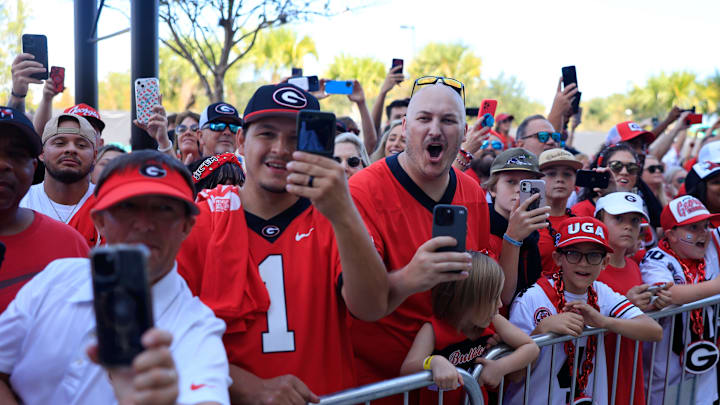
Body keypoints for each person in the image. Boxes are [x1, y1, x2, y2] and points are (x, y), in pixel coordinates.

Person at [177, 82, 393, 403]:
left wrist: (344, 212)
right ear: (241, 140)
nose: (281, 148)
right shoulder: (200, 221)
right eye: (266, 133)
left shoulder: (337, 217)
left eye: (296, 138)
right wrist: (251, 387)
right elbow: (171, 332)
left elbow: (371, 306)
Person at [0, 150, 231, 405]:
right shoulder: (57, 278)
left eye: (164, 209)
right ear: (99, 221)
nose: (144, 224)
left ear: (187, 225)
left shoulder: (196, 327)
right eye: (128, 207)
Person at [349, 78, 498, 389]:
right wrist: (410, 277)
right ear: (404, 127)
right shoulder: (363, 191)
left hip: (453, 383)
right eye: (424, 118)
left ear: (465, 132)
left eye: (448, 120)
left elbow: (479, 292)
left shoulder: (472, 193)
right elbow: (356, 301)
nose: (435, 129)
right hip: (380, 386)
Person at [504, 217, 663, 405]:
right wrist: (540, 332)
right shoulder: (531, 299)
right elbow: (515, 375)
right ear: (558, 258)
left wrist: (603, 322)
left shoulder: (602, 293)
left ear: (605, 262)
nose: (583, 263)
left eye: (593, 255)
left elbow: (654, 331)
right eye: (573, 253)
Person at [400, 251, 538, 405]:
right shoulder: (434, 329)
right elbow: (406, 370)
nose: (500, 304)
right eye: (493, 298)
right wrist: (433, 362)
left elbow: (531, 347)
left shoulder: (493, 318)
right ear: (468, 300)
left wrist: (500, 367)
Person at [0, 106, 89, 312]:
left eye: (16, 154)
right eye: (59, 143)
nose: (3, 164)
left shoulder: (69, 244)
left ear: (33, 167)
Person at [640, 195, 720, 405]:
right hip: (666, 375)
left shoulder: (710, 248)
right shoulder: (656, 258)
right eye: (693, 228)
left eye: (705, 225)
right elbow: (665, 295)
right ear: (671, 235)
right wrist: (715, 287)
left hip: (705, 370)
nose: (703, 233)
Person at [594, 192, 672, 405]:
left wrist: (656, 305)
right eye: (618, 219)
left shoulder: (634, 267)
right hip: (598, 366)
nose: (628, 226)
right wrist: (626, 306)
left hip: (629, 363)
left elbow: (637, 313)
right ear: (599, 222)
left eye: (634, 220)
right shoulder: (589, 269)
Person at [483, 148, 550, 303]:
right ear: (492, 189)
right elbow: (501, 298)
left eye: (526, 184)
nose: (518, 190)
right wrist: (513, 238)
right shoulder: (482, 229)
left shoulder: (537, 230)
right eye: (511, 182)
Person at [19, 113, 97, 224]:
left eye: (81, 145)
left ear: (94, 156)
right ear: (42, 152)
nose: (71, 149)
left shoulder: (110, 203)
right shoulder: (20, 203)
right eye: (60, 143)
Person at [536, 148, 582, 276]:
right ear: (537, 179)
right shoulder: (525, 220)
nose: (560, 179)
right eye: (551, 174)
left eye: (567, 174)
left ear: (575, 182)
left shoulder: (581, 223)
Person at [370, 64, 406, 136]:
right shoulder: (383, 144)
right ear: (388, 123)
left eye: (406, 116)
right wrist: (383, 91)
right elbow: (372, 130)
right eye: (397, 117)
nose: (402, 121)